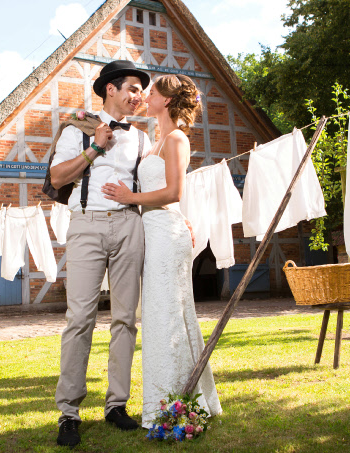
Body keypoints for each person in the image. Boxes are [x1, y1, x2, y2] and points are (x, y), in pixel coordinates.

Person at [101, 74, 223, 429]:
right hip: (154, 232)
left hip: (167, 236)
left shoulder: (176, 139)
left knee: (167, 315)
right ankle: (173, 398)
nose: (145, 96)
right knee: (158, 316)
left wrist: (129, 198)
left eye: (150, 92)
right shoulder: (155, 141)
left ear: (167, 101)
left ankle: (173, 403)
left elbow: (174, 193)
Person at [51, 60, 151, 447]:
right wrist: (95, 148)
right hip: (87, 224)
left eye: (142, 91)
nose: (138, 96)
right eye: (133, 88)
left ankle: (117, 405)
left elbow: (151, 185)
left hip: (129, 225)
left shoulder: (142, 139)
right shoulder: (78, 129)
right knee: (79, 318)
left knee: (125, 318)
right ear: (110, 89)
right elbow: (58, 178)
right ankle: (69, 413)